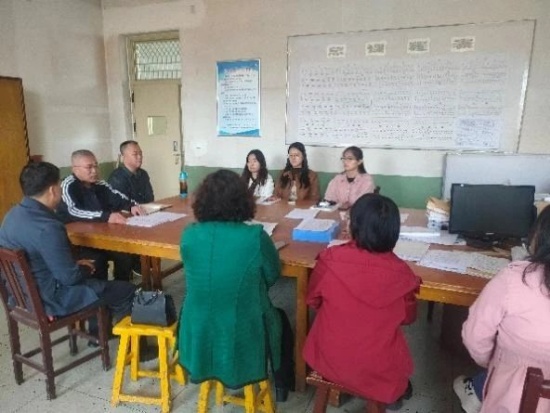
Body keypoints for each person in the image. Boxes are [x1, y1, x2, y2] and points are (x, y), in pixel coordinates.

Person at [177, 169, 294, 402]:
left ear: (202, 201)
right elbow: (272, 276)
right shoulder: (255, 236)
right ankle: (283, 385)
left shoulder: (189, 235)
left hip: (196, 323)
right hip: (242, 324)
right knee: (282, 320)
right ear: (243, 201)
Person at [303, 193, 421, 409]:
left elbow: (313, 299)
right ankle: (391, 392)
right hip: (377, 368)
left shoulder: (330, 259)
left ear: (353, 226)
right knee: (392, 348)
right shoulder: (403, 275)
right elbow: (408, 318)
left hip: (328, 357)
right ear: (394, 232)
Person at [0, 162, 136, 343]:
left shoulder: (11, 216)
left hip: (21, 299)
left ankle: (99, 333)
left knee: (96, 269)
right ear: (52, 190)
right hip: (52, 300)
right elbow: (70, 278)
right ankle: (133, 349)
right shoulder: (49, 227)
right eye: (59, 185)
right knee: (126, 290)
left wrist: (74, 265)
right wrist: (85, 268)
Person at [461, 206, 550, 413]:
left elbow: (474, 336)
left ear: (539, 236)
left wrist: (494, 363)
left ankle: (474, 390)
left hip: (510, 396)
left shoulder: (513, 280)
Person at [57, 149, 143, 281]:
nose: (94, 171)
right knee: (98, 262)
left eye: (96, 166)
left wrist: (131, 206)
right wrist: (106, 216)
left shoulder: (100, 183)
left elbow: (117, 197)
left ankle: (122, 288)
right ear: (75, 169)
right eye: (89, 167)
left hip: (102, 235)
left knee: (124, 253)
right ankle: (102, 291)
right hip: (79, 240)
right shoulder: (68, 185)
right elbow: (73, 211)